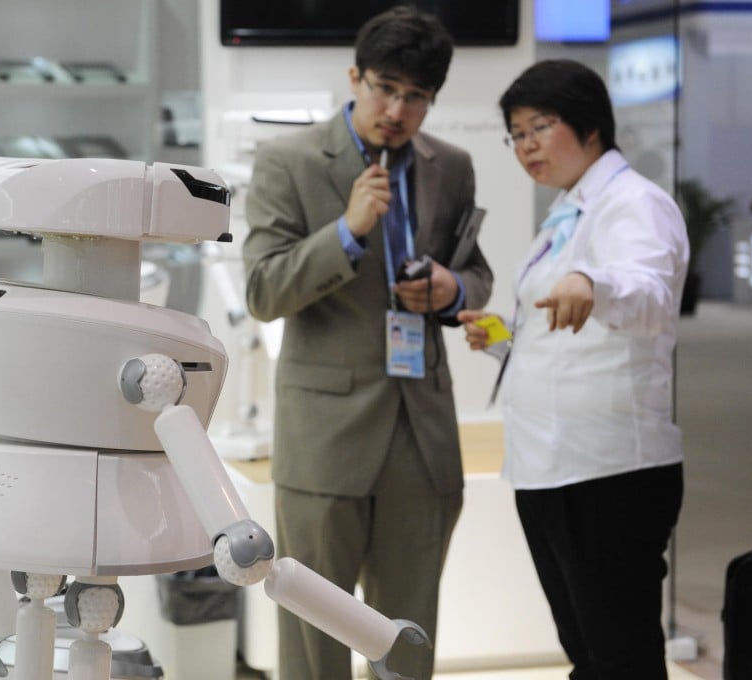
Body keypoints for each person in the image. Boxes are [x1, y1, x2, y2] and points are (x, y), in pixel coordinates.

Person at [242, 6, 493, 679]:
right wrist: (347, 233)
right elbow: (263, 291)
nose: (397, 108)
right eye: (385, 86)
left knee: (409, 633)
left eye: (416, 96)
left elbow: (478, 273)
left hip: (423, 429)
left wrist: (449, 289)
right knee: (312, 632)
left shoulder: (453, 166)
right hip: (325, 434)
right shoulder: (288, 162)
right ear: (354, 76)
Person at [458, 59, 689, 680]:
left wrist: (594, 280)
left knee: (621, 653)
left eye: (541, 126)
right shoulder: (569, 210)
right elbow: (563, 333)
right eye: (517, 133)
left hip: (610, 469)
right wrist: (504, 338)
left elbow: (646, 296)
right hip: (552, 466)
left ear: (590, 126)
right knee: (587, 648)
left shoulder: (634, 204)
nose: (526, 145)